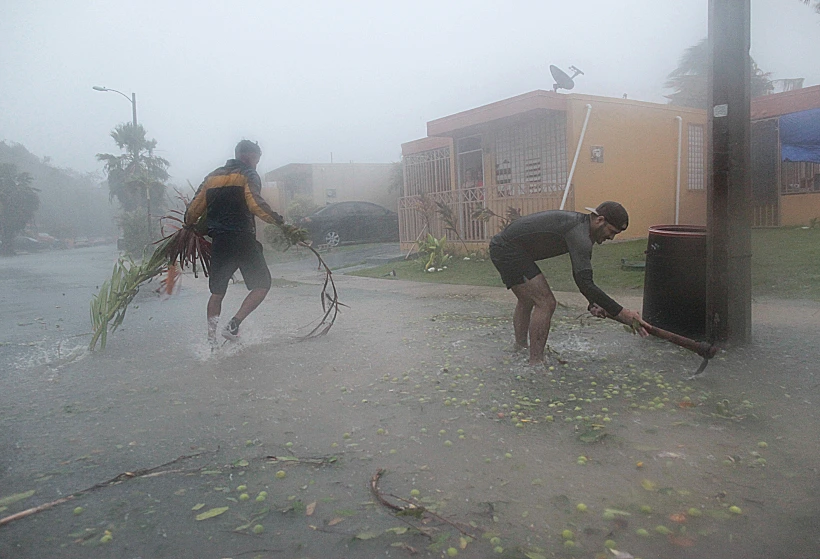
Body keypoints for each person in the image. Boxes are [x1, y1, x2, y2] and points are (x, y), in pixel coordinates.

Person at [489, 201, 649, 366]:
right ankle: (535, 363)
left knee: (528, 299)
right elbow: (585, 283)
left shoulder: (581, 229)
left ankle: (521, 349)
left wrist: (593, 303)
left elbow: (583, 279)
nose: (611, 237)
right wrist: (624, 314)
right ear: (600, 220)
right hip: (507, 248)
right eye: (612, 231)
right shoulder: (580, 234)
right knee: (545, 303)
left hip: (505, 247)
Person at [184, 140, 285, 347]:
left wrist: (190, 225)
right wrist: (279, 222)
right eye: (256, 160)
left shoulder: (212, 177)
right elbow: (255, 204)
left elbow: (194, 209)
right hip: (242, 240)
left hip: (220, 242)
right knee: (262, 284)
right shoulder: (248, 174)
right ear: (248, 156)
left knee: (217, 292)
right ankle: (233, 325)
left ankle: (211, 342)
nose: (257, 164)